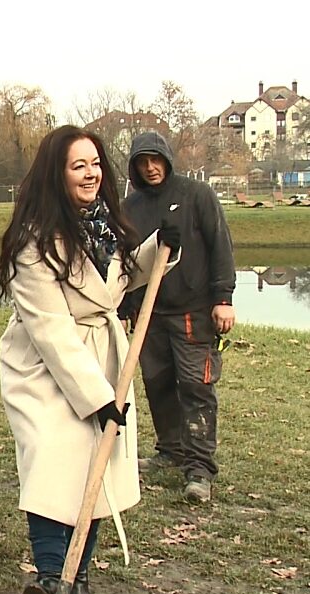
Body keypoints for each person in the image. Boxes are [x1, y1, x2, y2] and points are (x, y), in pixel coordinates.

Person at [0, 125, 180, 594]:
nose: (91, 173)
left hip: (103, 357)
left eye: (95, 163)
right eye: (79, 165)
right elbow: (51, 329)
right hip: (45, 368)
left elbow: (118, 282)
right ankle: (53, 575)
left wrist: (162, 246)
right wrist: (97, 400)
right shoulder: (33, 243)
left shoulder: (104, 227)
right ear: (57, 174)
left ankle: (77, 575)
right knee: (53, 462)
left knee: (100, 470)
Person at [121, 131, 235, 503]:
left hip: (192, 310)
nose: (151, 168)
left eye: (156, 160)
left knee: (195, 388)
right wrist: (125, 303)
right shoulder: (131, 207)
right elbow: (126, 259)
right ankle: (170, 451)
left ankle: (199, 468)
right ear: (135, 167)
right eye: (143, 162)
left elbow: (220, 245)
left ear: (167, 160)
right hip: (149, 313)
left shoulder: (196, 196)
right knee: (158, 384)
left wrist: (223, 298)